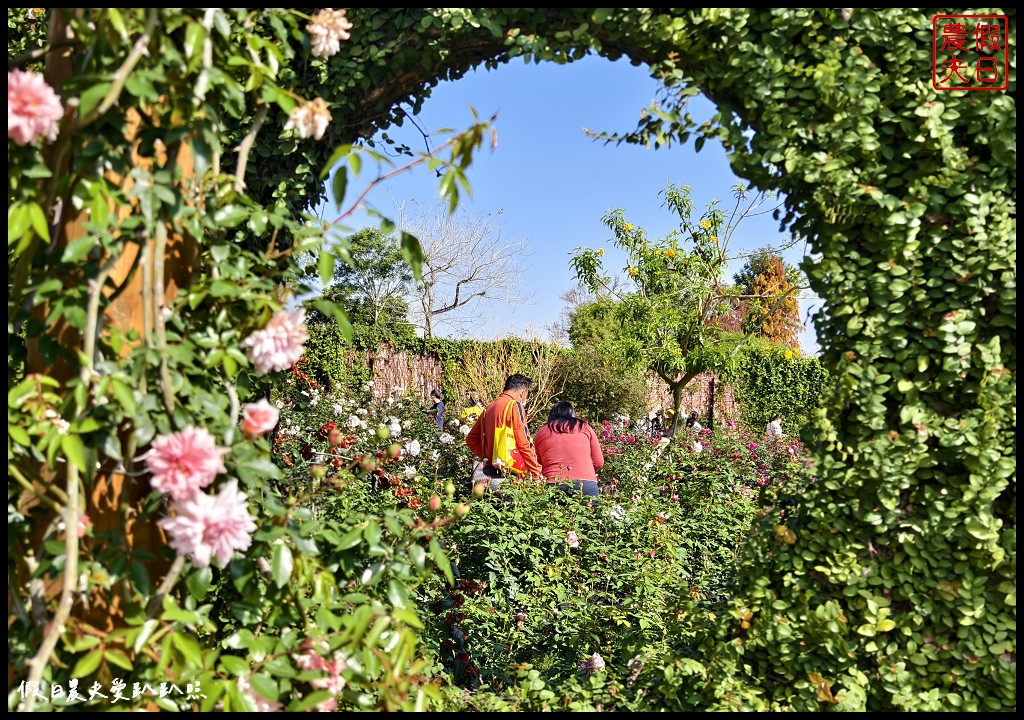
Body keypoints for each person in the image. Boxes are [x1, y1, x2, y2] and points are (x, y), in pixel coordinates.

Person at [465, 374, 542, 490]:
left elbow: (471, 439)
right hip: (510, 475)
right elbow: (524, 443)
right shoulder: (514, 406)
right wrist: (536, 474)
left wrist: (489, 457)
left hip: (490, 474)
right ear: (523, 392)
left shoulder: (488, 408)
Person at [533, 401, 605, 500]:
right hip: (585, 485)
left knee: (554, 515)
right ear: (573, 414)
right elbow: (599, 462)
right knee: (589, 515)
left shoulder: (543, 431)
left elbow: (537, 462)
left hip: (554, 485)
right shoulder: (584, 427)